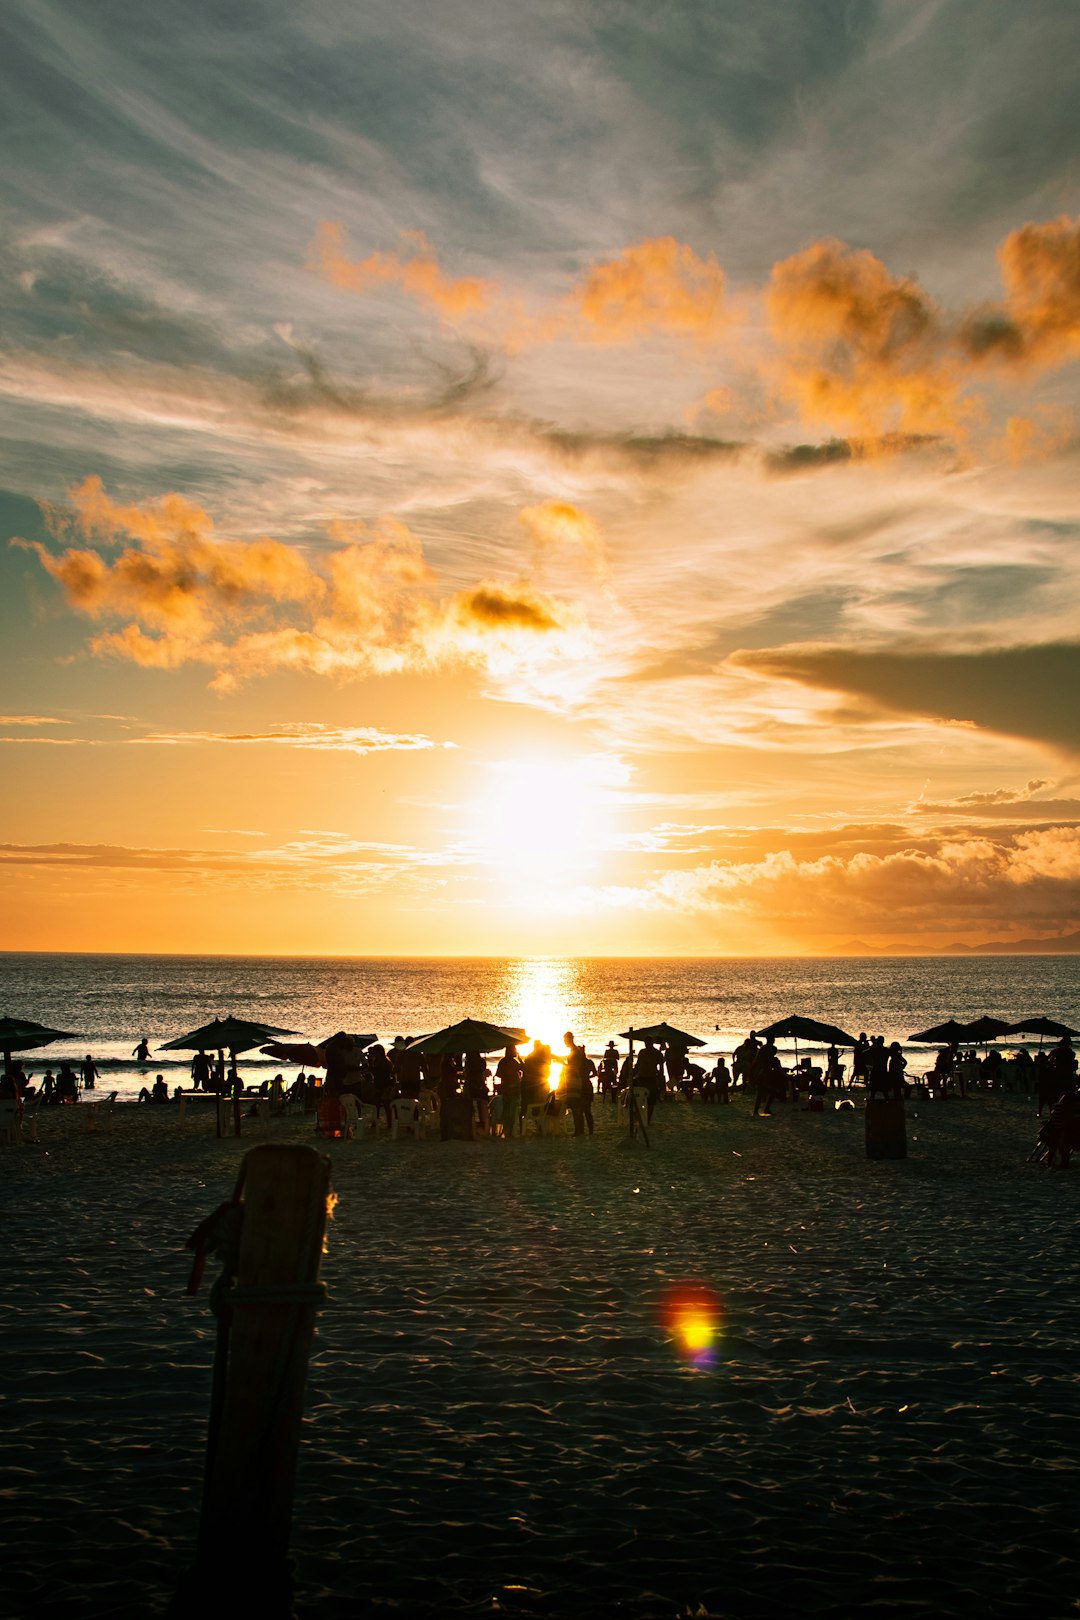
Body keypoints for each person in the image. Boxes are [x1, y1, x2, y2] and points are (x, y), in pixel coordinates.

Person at [561, 1031, 594, 1137]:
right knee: (578, 1107)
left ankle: (580, 1131)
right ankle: (580, 1130)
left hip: (576, 1081)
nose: (564, 1042)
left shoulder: (575, 1051)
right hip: (575, 1080)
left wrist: (563, 1064)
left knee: (577, 1107)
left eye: (565, 1040)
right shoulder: (574, 1051)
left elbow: (574, 1068)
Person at [495, 1043, 523, 1139]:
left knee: (506, 1110)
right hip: (513, 1089)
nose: (516, 1051)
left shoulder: (502, 1061)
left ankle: (507, 1131)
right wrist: (520, 1058)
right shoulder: (513, 1062)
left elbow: (498, 1074)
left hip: (505, 1089)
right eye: (515, 1050)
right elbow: (524, 1068)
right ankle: (509, 1131)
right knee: (512, 1111)